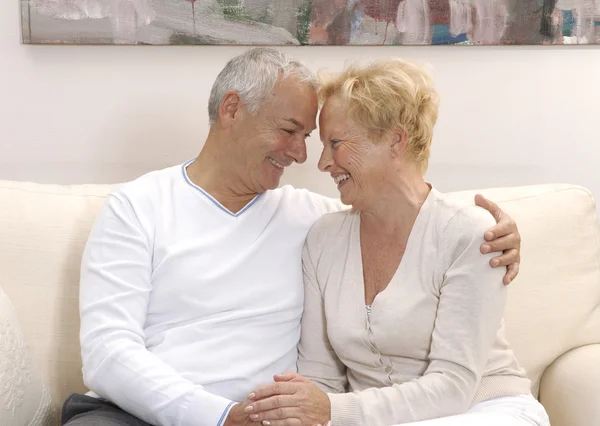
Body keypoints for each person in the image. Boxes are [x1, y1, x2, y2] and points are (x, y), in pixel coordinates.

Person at [60, 48, 523, 426]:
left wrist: (500, 236)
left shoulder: (314, 219)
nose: (304, 155)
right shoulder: (137, 206)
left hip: (266, 416)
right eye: (290, 131)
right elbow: (107, 352)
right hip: (141, 414)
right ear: (232, 109)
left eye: (314, 138)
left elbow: (404, 211)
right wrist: (219, 416)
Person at [243, 60, 550, 425]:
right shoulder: (323, 238)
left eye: (336, 143)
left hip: (482, 410)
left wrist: (332, 411)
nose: (323, 162)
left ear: (395, 140)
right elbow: (320, 378)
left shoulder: (470, 234)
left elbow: (453, 387)